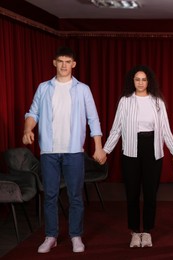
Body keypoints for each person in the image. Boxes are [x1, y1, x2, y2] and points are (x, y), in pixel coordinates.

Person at [22, 46, 105, 253]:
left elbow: (92, 118)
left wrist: (98, 147)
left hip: (74, 151)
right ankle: (51, 236)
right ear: (54, 63)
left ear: (73, 64)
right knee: (50, 195)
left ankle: (76, 236)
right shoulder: (44, 88)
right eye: (60, 61)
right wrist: (27, 129)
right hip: (48, 151)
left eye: (68, 62)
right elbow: (33, 113)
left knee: (75, 195)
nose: (64, 65)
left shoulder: (83, 89)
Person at [101, 65, 173, 248]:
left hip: (153, 150)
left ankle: (147, 232)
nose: (141, 83)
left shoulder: (158, 101)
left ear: (148, 81)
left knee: (150, 193)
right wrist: (105, 150)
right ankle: (135, 232)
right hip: (131, 151)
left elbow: (166, 130)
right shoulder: (125, 101)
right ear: (132, 81)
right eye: (137, 79)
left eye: (144, 79)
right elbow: (116, 128)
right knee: (132, 193)